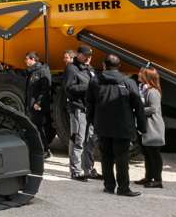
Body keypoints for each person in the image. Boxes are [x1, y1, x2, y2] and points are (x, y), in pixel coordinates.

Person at [87, 54, 145, 197]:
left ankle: (109, 185)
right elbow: (138, 106)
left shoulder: (95, 81)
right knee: (121, 157)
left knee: (105, 155)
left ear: (104, 65)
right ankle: (123, 187)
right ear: (119, 66)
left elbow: (89, 102)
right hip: (123, 125)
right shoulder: (128, 82)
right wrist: (142, 127)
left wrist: (91, 120)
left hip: (103, 124)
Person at [64, 46, 100, 181]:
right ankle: (76, 171)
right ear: (77, 55)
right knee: (78, 139)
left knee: (90, 140)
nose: (88, 58)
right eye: (85, 55)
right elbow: (69, 88)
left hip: (90, 109)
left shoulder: (90, 69)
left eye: (90, 55)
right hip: (78, 109)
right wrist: (89, 86)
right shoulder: (71, 68)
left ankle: (89, 169)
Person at [136, 67, 166, 189]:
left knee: (154, 154)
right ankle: (148, 177)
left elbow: (153, 109)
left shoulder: (153, 92)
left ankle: (158, 180)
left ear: (146, 76)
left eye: (141, 73)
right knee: (147, 153)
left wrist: (137, 110)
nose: (138, 74)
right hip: (146, 126)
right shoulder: (144, 90)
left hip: (153, 126)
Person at [24, 51, 51, 158]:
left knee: (36, 128)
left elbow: (45, 89)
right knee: (37, 127)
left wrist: (38, 103)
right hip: (32, 105)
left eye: (27, 59)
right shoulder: (32, 72)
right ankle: (42, 150)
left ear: (32, 59)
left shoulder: (42, 71)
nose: (25, 61)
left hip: (38, 106)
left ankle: (44, 150)